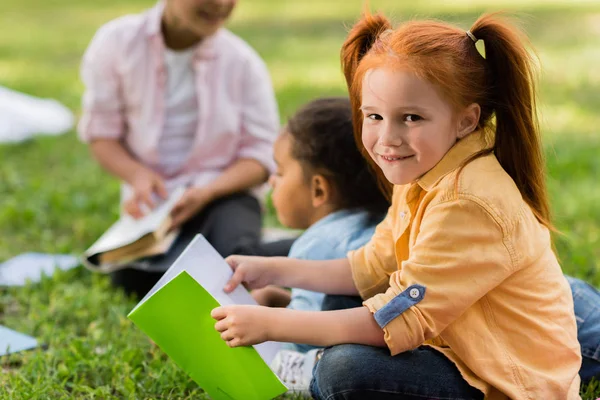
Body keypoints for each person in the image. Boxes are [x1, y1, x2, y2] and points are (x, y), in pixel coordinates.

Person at [210, 12, 584, 399]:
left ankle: (311, 372)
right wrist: (271, 270)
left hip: (501, 381)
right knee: (339, 302)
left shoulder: (468, 202)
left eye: (411, 118)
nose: (387, 139)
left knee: (345, 370)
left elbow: (394, 318)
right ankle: (314, 363)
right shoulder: (422, 169)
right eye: (374, 116)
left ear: (465, 121)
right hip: (453, 347)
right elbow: (371, 267)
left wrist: (272, 325)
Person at [77, 0, 292, 297]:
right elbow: (101, 135)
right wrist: (137, 175)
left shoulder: (242, 63)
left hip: (225, 195)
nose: (221, 4)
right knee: (133, 279)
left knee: (235, 259)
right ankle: (274, 248)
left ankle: (313, 253)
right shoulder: (116, 44)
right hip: (156, 209)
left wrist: (207, 193)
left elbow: (260, 156)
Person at [250, 97, 388, 356]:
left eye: (280, 172)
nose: (272, 181)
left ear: (319, 189)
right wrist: (279, 300)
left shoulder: (318, 245)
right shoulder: (382, 228)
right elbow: (323, 312)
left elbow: (303, 343)